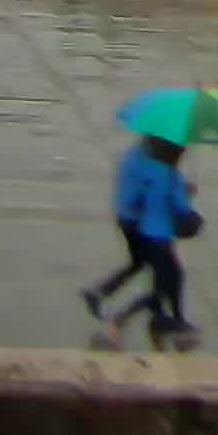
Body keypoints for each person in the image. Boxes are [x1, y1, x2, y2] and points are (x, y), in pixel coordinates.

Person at [83, 133, 195, 345]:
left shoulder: (138, 159)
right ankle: (127, 317)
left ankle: (165, 318)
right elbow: (180, 209)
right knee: (164, 283)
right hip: (156, 235)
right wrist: (185, 194)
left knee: (154, 271)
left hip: (139, 226)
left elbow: (138, 198)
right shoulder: (170, 176)